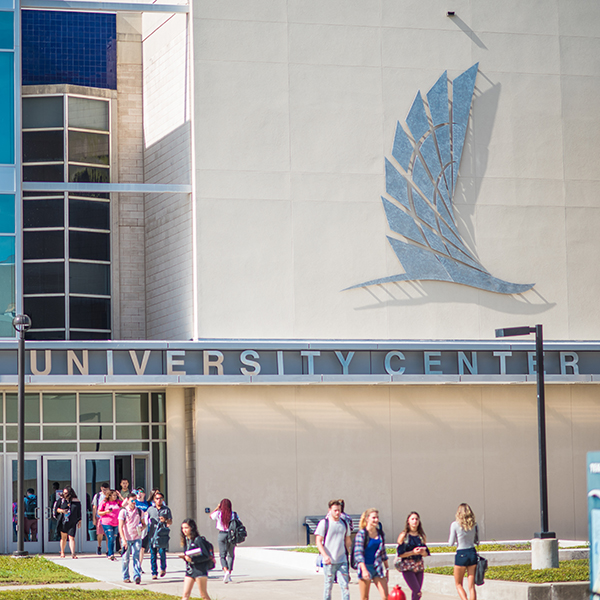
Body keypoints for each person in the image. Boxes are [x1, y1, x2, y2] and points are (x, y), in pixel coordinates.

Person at [316, 499, 352, 600]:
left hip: (342, 560)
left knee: (345, 587)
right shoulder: (324, 523)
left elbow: (348, 541)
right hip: (329, 562)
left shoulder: (344, 524)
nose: (337, 512)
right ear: (329, 510)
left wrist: (352, 555)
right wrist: (325, 555)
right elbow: (318, 541)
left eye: (339, 510)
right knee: (328, 587)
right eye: (335, 510)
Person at [354, 508, 389, 600]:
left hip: (377, 567)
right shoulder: (361, 534)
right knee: (365, 597)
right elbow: (358, 554)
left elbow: (383, 552)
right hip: (365, 567)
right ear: (367, 519)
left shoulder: (380, 533)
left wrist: (387, 568)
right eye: (373, 518)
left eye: (377, 517)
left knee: (385, 597)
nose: (376, 520)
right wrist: (364, 570)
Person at [396, 512, 430, 600]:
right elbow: (400, 553)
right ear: (408, 521)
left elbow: (426, 553)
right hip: (408, 566)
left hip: (419, 566)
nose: (415, 521)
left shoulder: (421, 536)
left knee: (417, 593)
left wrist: (422, 552)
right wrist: (413, 552)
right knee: (417, 591)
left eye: (416, 519)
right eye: (412, 519)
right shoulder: (404, 535)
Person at [448, 503, 479, 600]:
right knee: (471, 586)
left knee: (458, 584)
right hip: (472, 553)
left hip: (461, 553)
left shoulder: (455, 524)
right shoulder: (475, 525)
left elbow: (450, 543)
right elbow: (477, 541)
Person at [178, 518, 212, 600]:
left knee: (203, 594)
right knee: (185, 595)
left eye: (186, 528)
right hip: (190, 570)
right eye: (183, 528)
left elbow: (206, 556)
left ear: (192, 528)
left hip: (200, 570)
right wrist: (185, 558)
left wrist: (192, 560)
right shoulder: (186, 540)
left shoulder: (198, 540)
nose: (184, 530)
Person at [118, 493, 146, 584]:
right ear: (128, 500)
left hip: (137, 537)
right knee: (125, 558)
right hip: (127, 538)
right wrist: (124, 540)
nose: (134, 502)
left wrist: (142, 527)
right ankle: (125, 576)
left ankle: (137, 576)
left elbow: (144, 523)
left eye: (135, 501)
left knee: (136, 557)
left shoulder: (139, 511)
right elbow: (120, 527)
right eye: (132, 501)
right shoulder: (124, 511)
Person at [147, 491, 173, 580]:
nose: (159, 500)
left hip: (162, 534)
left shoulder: (166, 509)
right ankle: (154, 572)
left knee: (162, 552)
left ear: (163, 499)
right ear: (154, 500)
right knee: (153, 554)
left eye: (160, 498)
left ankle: (163, 568)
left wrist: (165, 520)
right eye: (157, 498)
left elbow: (170, 522)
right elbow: (146, 519)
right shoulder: (150, 509)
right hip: (152, 534)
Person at [210, 498, 237, 583]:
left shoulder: (218, 514)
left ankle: (225, 571)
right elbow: (238, 523)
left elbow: (211, 516)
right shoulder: (234, 514)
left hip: (222, 534)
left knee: (222, 555)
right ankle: (229, 572)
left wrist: (217, 508)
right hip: (231, 535)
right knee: (231, 555)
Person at [55, 486, 82, 559]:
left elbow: (79, 512)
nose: (64, 494)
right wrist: (62, 511)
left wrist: (79, 521)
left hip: (72, 522)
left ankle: (73, 553)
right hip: (63, 521)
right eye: (63, 493)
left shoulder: (76, 501)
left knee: (71, 537)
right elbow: (56, 509)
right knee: (63, 538)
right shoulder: (61, 500)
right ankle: (62, 552)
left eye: (66, 493)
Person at [98, 490, 122, 560]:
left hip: (116, 522)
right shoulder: (104, 502)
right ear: (110, 495)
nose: (115, 496)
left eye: (116, 495)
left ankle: (110, 552)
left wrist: (120, 496)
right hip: (107, 522)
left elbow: (125, 504)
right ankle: (110, 554)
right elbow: (99, 512)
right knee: (110, 538)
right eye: (113, 495)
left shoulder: (117, 502)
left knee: (113, 538)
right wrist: (106, 512)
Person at [92, 482, 110, 555]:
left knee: (108, 534)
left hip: (108, 517)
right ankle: (99, 546)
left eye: (106, 490)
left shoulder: (110, 496)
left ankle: (108, 549)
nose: (105, 491)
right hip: (99, 517)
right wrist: (94, 518)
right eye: (103, 490)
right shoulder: (98, 496)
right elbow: (94, 507)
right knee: (99, 533)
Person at [135, 488, 151, 568]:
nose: (139, 493)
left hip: (145, 526)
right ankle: (136, 564)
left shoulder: (147, 503)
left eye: (141, 492)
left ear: (144, 494)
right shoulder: (134, 502)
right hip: (136, 526)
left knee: (142, 548)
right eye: (137, 492)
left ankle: (139, 565)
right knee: (136, 547)